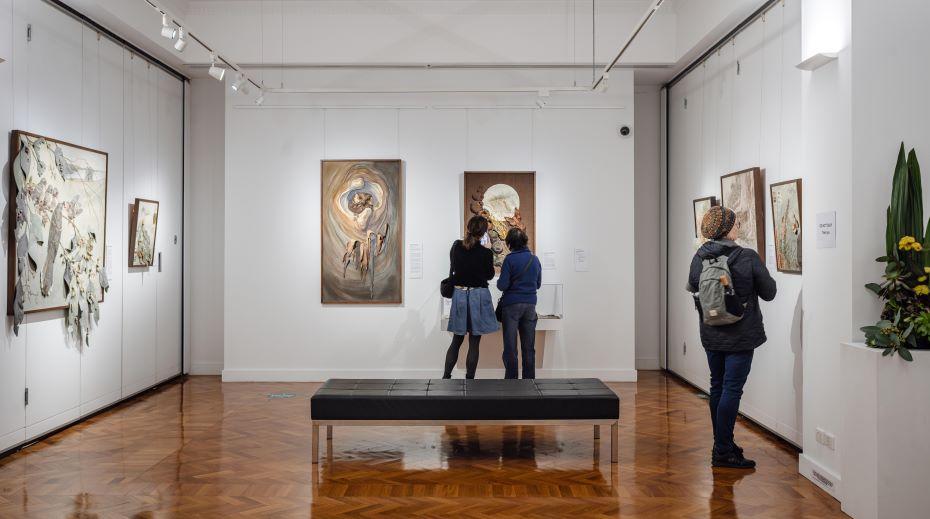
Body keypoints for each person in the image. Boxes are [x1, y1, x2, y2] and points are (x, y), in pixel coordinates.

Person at [687, 206, 776, 469]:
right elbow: (769, 292)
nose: (739, 227)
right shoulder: (747, 256)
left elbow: (693, 286)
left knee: (717, 386)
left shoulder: (699, 256)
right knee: (732, 389)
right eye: (736, 224)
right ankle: (723, 450)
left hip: (711, 332)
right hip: (741, 334)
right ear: (727, 229)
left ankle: (722, 444)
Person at [443, 216, 498, 379]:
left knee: (457, 340)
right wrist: (488, 250)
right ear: (484, 232)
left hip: (459, 295)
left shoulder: (456, 246)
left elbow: (454, 268)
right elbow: (489, 275)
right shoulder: (486, 252)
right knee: (474, 342)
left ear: (468, 228)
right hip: (478, 295)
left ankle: (446, 377)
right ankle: (470, 381)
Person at [496, 228, 542, 379]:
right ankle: (529, 382)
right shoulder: (534, 259)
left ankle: (512, 382)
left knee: (510, 347)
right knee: (529, 347)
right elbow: (538, 284)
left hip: (511, 306)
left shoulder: (509, 259)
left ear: (510, 243)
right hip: (530, 306)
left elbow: (502, 285)